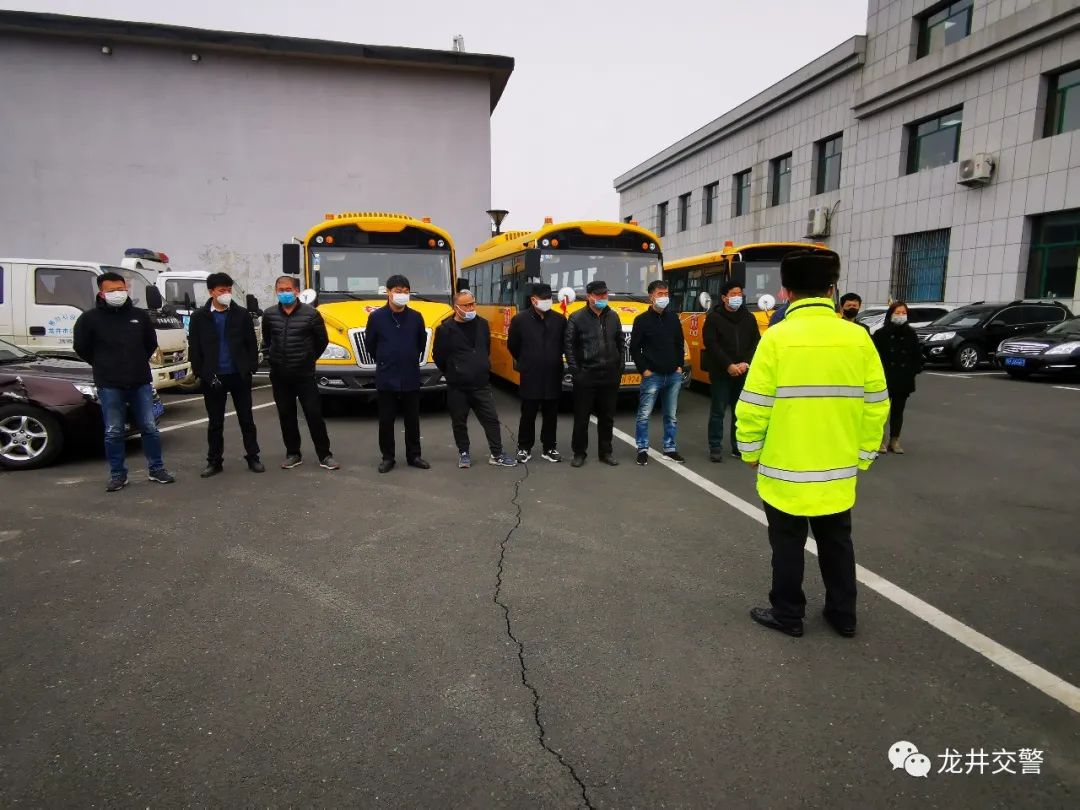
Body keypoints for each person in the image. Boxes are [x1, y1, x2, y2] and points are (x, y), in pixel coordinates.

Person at [735, 250, 889, 639]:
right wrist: (864, 455)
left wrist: (751, 452)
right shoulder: (858, 338)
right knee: (838, 543)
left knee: (787, 546)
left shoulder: (776, 339)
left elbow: (753, 406)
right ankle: (843, 615)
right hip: (838, 470)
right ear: (832, 290)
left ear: (785, 293)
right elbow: (877, 405)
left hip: (784, 471)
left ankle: (788, 614)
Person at [73, 271, 175, 491]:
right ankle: (118, 474)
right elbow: (82, 348)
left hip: (140, 381)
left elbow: (150, 343)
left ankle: (156, 469)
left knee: (149, 427)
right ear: (101, 293)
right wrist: (104, 364)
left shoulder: (139, 316)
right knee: (114, 430)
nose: (118, 293)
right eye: (112, 290)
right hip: (109, 383)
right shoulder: (90, 319)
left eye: (121, 289)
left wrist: (136, 362)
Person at [188, 272, 264, 477]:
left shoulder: (241, 315)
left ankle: (253, 456)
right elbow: (194, 348)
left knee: (246, 419)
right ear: (211, 292)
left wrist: (250, 369)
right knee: (215, 422)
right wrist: (201, 373)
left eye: (229, 290)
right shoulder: (199, 317)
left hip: (238, 374)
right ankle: (214, 461)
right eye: (222, 290)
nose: (226, 294)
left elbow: (251, 344)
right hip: (213, 377)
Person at [261, 276, 339, 471]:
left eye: (288, 289)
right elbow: (268, 340)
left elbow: (322, 341)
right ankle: (293, 453)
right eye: (281, 289)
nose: (284, 293)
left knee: (314, 415)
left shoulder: (311, 314)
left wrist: (308, 358)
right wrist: (275, 358)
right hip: (280, 375)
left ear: (297, 291)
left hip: (304, 375)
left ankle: (325, 455)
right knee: (286, 415)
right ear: (276, 291)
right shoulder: (269, 315)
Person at [433, 291, 518, 469]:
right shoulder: (445, 329)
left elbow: (485, 349)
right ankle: (464, 453)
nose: (471, 308)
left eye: (473, 303)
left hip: (481, 384)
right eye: (466, 305)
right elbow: (439, 356)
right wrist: (453, 372)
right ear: (456, 307)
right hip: (457, 386)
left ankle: (497, 453)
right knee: (459, 421)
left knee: (491, 420)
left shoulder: (482, 324)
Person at [366, 274, 430, 473]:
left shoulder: (416, 317)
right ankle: (388, 458)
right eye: (398, 291)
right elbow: (371, 346)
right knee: (386, 420)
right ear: (388, 292)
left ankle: (414, 455)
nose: (402, 295)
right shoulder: (376, 317)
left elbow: (421, 343)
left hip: (410, 374)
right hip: (387, 376)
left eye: (405, 292)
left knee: (413, 419)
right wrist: (386, 358)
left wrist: (408, 357)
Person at [565, 280, 624, 468]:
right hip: (586, 375)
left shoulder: (613, 316)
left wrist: (619, 366)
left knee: (607, 417)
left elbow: (620, 343)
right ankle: (579, 453)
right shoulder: (577, 317)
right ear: (589, 296)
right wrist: (576, 372)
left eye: (604, 295)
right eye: (598, 295)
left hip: (610, 375)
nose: (602, 298)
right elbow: (569, 347)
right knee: (582, 417)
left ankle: (606, 452)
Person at [702, 280, 761, 463]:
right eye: (733, 294)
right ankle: (715, 447)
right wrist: (728, 365)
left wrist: (745, 363)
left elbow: (755, 343)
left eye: (739, 294)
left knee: (740, 412)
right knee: (718, 411)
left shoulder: (749, 318)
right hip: (721, 372)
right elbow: (711, 344)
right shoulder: (714, 318)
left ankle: (738, 447)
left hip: (743, 372)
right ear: (724, 297)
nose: (737, 297)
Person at [507, 282, 566, 463]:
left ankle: (549, 447)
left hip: (553, 373)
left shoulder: (559, 320)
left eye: (550, 298)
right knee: (528, 413)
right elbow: (513, 346)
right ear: (533, 300)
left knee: (551, 414)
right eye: (544, 298)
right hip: (531, 373)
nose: (548, 301)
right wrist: (526, 360)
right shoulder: (520, 320)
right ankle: (524, 447)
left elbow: (564, 344)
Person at [629, 280, 685, 465]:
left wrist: (679, 366)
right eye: (660, 294)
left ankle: (670, 448)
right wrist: (644, 370)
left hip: (673, 375)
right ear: (651, 297)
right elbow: (635, 349)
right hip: (652, 375)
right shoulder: (642, 321)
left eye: (666, 293)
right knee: (644, 414)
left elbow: (679, 343)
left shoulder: (673, 318)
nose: (664, 297)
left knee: (671, 415)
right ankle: (642, 448)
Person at [873, 301, 922, 455]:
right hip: (885, 378)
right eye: (897, 313)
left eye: (903, 313)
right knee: (882, 411)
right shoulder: (881, 334)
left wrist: (913, 370)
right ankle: (879, 439)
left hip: (903, 378)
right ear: (891, 314)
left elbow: (916, 355)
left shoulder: (911, 333)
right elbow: (875, 358)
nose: (901, 316)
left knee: (898, 411)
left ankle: (895, 440)